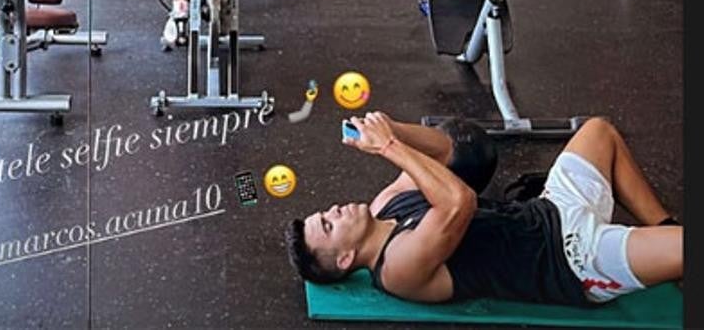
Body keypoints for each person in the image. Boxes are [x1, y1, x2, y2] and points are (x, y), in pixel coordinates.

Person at [285, 113, 682, 307]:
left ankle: (664, 227)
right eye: (329, 223)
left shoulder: (386, 206)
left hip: (549, 209)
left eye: (326, 212)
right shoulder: (397, 268)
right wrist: (389, 148)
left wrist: (394, 129)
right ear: (347, 257)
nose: (334, 210)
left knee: (598, 131)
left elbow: (446, 152)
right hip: (572, 259)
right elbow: (459, 202)